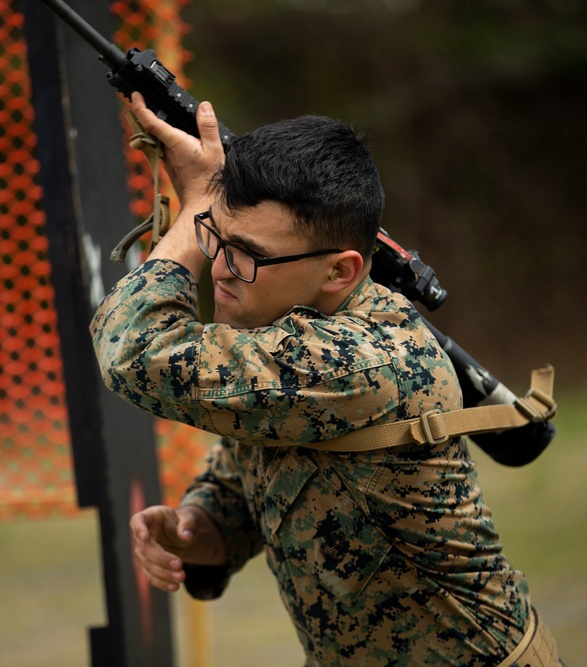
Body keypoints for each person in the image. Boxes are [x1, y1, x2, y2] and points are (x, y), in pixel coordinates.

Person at [90, 91, 562, 666]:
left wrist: (193, 211)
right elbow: (250, 479)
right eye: (216, 239)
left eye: (247, 255)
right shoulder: (285, 343)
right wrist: (200, 525)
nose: (218, 269)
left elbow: (135, 351)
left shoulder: (360, 361)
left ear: (340, 272)